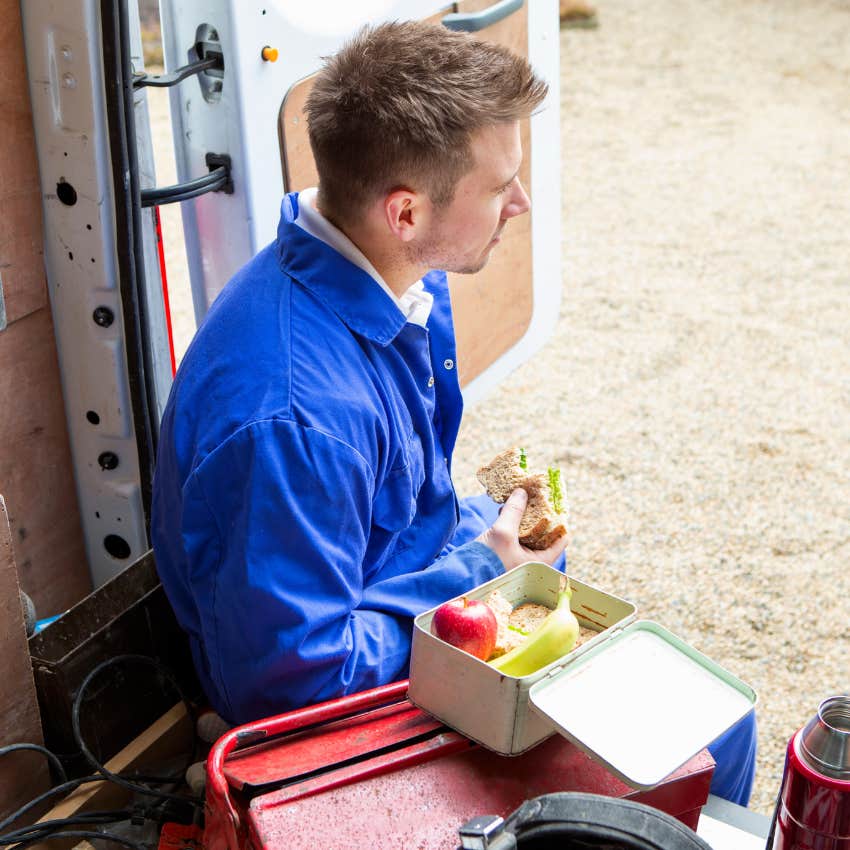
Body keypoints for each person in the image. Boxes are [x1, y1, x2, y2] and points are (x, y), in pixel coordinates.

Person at [151, 20, 757, 808]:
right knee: (711, 738)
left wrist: (487, 532)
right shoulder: (296, 418)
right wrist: (479, 573)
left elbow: (387, 512)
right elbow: (290, 687)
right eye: (500, 184)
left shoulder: (395, 277)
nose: (522, 202)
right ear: (404, 212)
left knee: (689, 694)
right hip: (319, 710)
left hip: (376, 588)